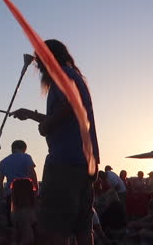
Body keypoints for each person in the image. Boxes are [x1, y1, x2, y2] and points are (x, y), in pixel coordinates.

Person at [12, 39, 99, 245]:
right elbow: (68, 115)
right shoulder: (72, 76)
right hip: (83, 163)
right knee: (82, 228)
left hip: (64, 163)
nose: (38, 65)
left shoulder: (62, 75)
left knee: (54, 229)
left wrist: (46, 125)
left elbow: (69, 106)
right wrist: (33, 116)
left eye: (39, 60)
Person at [0, 140, 38, 227]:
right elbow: (32, 175)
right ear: (24, 148)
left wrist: (2, 196)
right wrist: (36, 191)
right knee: (29, 222)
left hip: (11, 196)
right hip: (27, 194)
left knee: (13, 223)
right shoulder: (26, 157)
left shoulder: (3, 161)